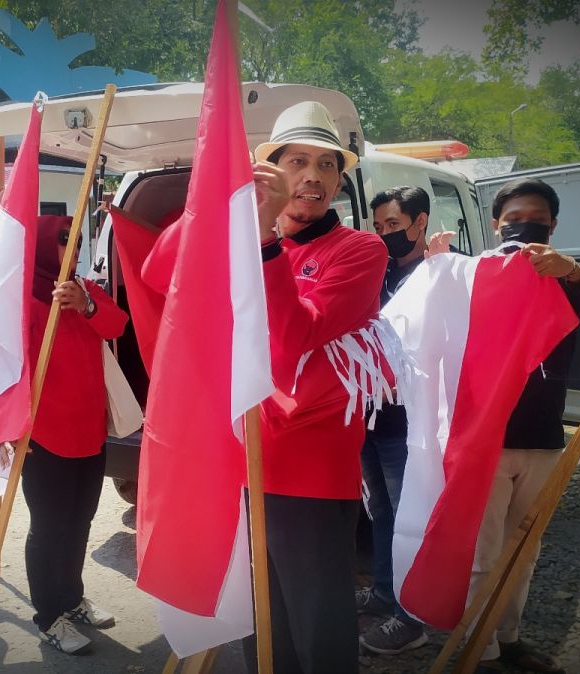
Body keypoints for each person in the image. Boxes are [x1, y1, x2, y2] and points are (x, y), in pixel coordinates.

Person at [247, 101, 389, 673]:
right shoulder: (241, 242)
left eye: (327, 165)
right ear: (272, 171)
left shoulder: (359, 250)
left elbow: (291, 339)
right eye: (298, 161)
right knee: (264, 619)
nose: (313, 176)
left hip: (308, 464)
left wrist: (261, 239)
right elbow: (161, 278)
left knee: (318, 621)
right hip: (245, 452)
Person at [466, 178, 580, 674]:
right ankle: (477, 648)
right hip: (486, 438)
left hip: (543, 438)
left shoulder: (565, 278)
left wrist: (572, 270)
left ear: (553, 226)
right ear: (495, 226)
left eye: (535, 219)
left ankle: (508, 640)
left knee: (523, 551)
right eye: (512, 220)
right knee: (481, 553)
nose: (522, 227)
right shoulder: (476, 274)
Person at [5, 215, 129, 654]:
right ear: (41, 245)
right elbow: (7, 369)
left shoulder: (84, 289)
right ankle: (49, 616)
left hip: (90, 434)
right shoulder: (24, 300)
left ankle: (72, 601)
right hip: (44, 439)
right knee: (49, 529)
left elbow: (117, 326)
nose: (72, 249)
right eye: (62, 240)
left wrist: (87, 306)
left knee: (80, 523)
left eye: (76, 241)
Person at [357, 186, 432, 655]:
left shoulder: (438, 275)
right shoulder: (375, 272)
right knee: (380, 511)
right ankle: (386, 592)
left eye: (394, 226)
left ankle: (413, 616)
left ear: (420, 223)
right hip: (369, 418)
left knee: (411, 518)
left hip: (411, 424)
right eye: (379, 226)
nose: (385, 235)